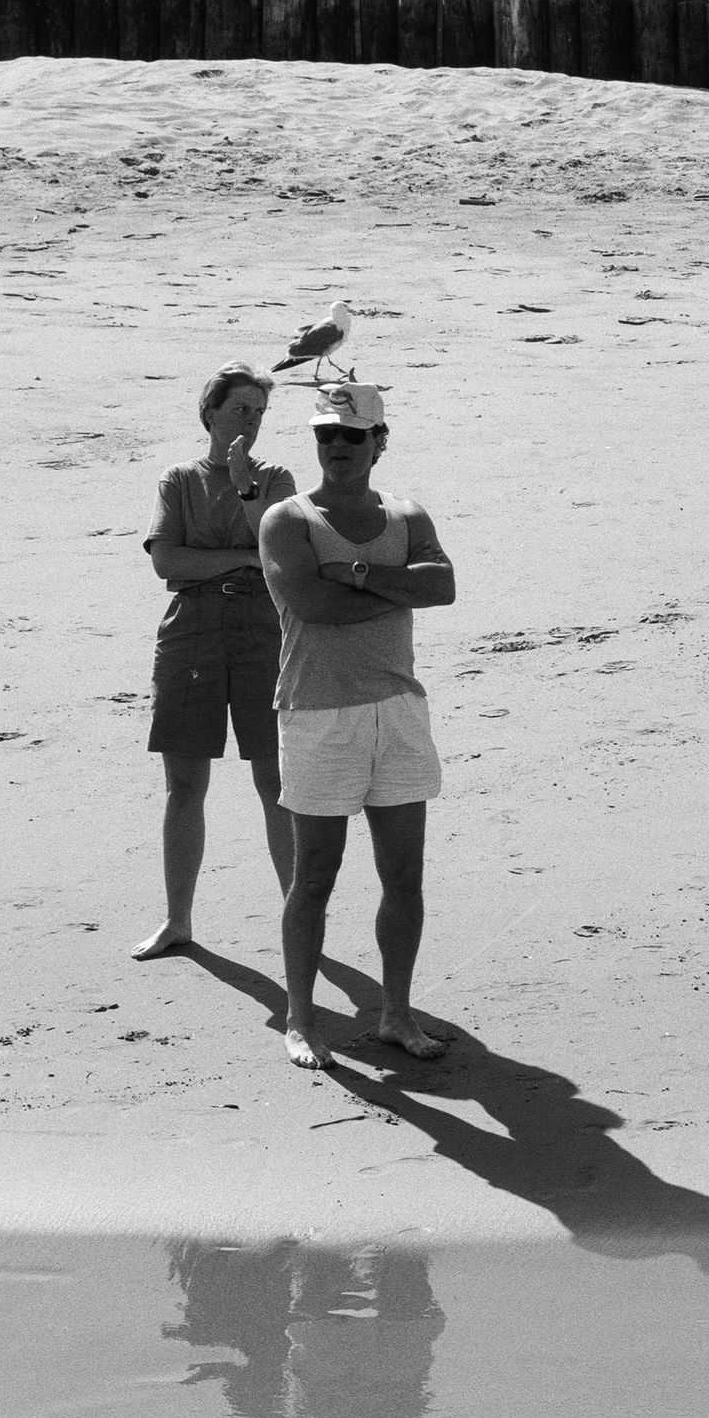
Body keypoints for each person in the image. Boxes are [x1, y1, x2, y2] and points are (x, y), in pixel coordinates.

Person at [259, 385, 457, 1068]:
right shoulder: (288, 519)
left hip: (397, 708)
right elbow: (315, 606)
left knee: (404, 875)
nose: (336, 447)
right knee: (314, 875)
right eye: (325, 435)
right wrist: (394, 586)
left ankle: (396, 1014)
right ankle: (300, 1018)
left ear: (378, 441)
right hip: (317, 712)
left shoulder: (406, 514)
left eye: (350, 435)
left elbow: (443, 587)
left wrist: (359, 571)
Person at [135, 363, 298, 962]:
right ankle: (178, 920)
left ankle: (298, 917)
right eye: (239, 410)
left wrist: (246, 492)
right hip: (192, 632)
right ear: (210, 414)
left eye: (258, 412)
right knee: (184, 783)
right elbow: (167, 561)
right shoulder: (180, 479)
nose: (250, 422)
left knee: (275, 781)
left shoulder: (276, 478)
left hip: (262, 631)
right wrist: (242, 559)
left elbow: (278, 550)